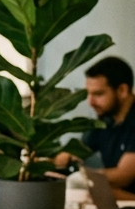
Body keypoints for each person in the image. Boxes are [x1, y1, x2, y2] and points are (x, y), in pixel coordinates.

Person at [56, 56, 135, 190]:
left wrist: (81, 178)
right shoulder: (106, 120)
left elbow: (124, 176)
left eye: (98, 94)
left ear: (122, 90)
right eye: (89, 94)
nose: (90, 102)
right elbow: (75, 151)